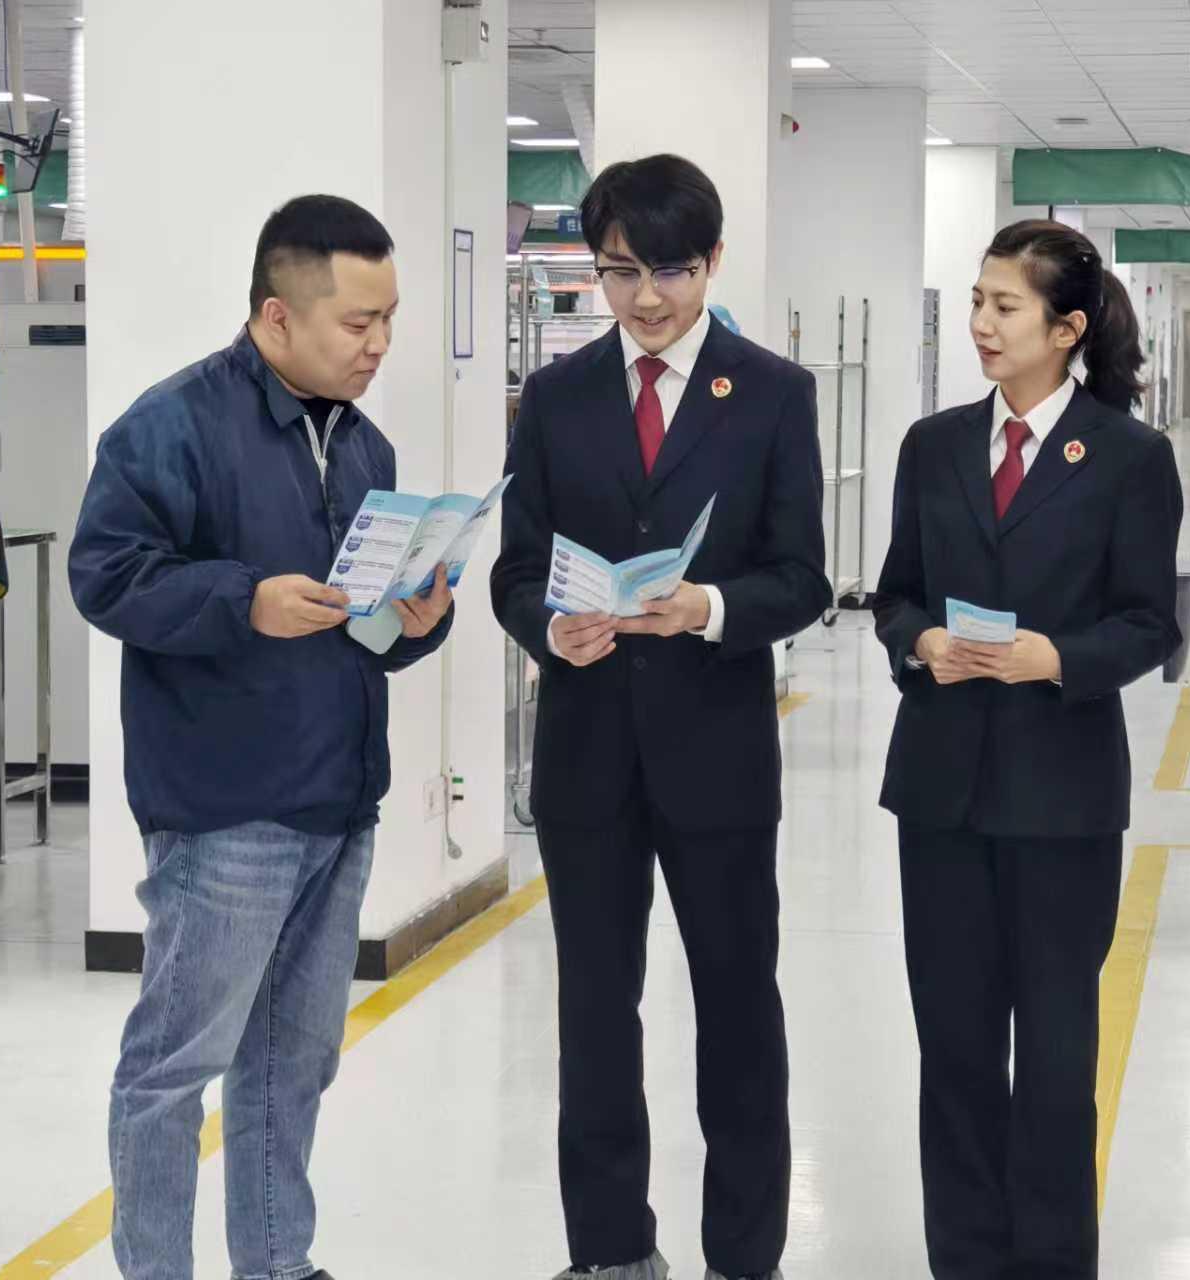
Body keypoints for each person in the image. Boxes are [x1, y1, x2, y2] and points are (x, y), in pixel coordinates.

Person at [70, 194, 454, 1280]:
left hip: (338, 803)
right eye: (357, 322)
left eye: (389, 319)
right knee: (172, 1070)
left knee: (292, 1064)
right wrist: (245, 600)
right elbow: (106, 575)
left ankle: (278, 1263)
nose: (378, 344)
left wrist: (418, 621)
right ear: (277, 317)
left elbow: (365, 632)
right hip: (225, 811)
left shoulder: (365, 446)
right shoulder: (173, 426)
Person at [490, 154, 830, 1280]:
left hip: (717, 754)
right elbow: (515, 569)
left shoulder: (773, 392)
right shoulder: (557, 397)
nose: (645, 298)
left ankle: (744, 1254)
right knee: (594, 1015)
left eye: (671, 272)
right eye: (621, 272)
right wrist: (551, 628)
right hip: (587, 751)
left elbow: (802, 576)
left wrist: (708, 607)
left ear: (712, 262)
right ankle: (610, 1252)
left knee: (738, 1012)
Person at [871, 219, 1185, 1280]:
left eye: (1004, 306)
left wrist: (1058, 657)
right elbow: (896, 593)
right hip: (942, 791)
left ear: (1067, 329)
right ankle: (964, 1257)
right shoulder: (933, 446)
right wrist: (921, 642)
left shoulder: (1130, 458)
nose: (981, 323)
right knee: (954, 1048)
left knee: (1054, 1056)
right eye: (977, 301)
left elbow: (1149, 623)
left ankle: (1052, 1260)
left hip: (1063, 798)